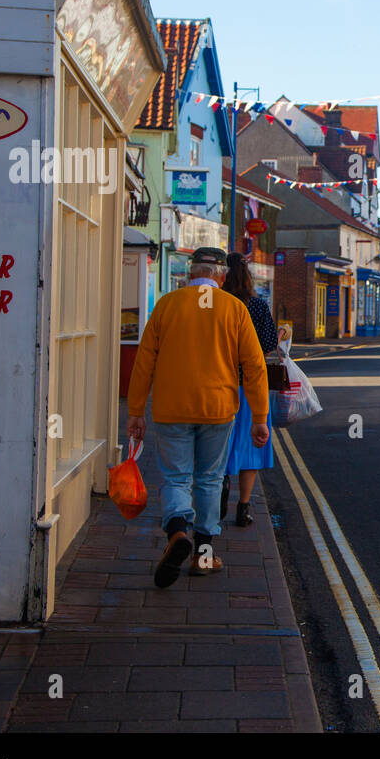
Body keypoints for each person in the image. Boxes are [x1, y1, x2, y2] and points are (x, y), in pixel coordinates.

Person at [127, 247, 270, 589]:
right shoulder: (234, 308)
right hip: (217, 409)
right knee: (209, 479)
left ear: (191, 273)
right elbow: (254, 366)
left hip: (171, 407)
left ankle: (178, 531)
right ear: (222, 276)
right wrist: (259, 417)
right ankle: (203, 556)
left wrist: (135, 411)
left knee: (176, 478)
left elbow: (144, 361)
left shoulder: (166, 305)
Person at [220, 253, 279, 528]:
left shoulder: (217, 305)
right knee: (252, 447)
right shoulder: (257, 306)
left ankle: (220, 489)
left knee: (219, 443)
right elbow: (267, 345)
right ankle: (243, 508)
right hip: (252, 387)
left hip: (221, 384)